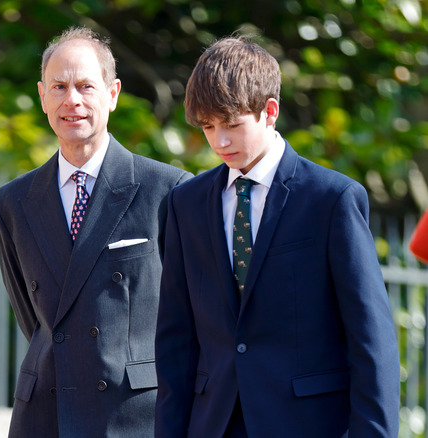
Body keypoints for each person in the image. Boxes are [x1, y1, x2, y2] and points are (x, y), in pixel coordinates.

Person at [155, 36, 400, 437]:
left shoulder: (331, 199)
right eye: (208, 127)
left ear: (270, 111)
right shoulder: (186, 204)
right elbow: (175, 342)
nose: (220, 141)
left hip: (307, 425)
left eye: (232, 125)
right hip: (212, 424)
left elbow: (371, 342)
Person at [0, 26, 192, 437]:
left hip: (133, 414)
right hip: (46, 412)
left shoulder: (167, 189)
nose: (73, 101)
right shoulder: (14, 201)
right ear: (42, 95)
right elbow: (34, 319)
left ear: (113, 93)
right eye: (60, 86)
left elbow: (190, 317)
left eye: (86, 86)